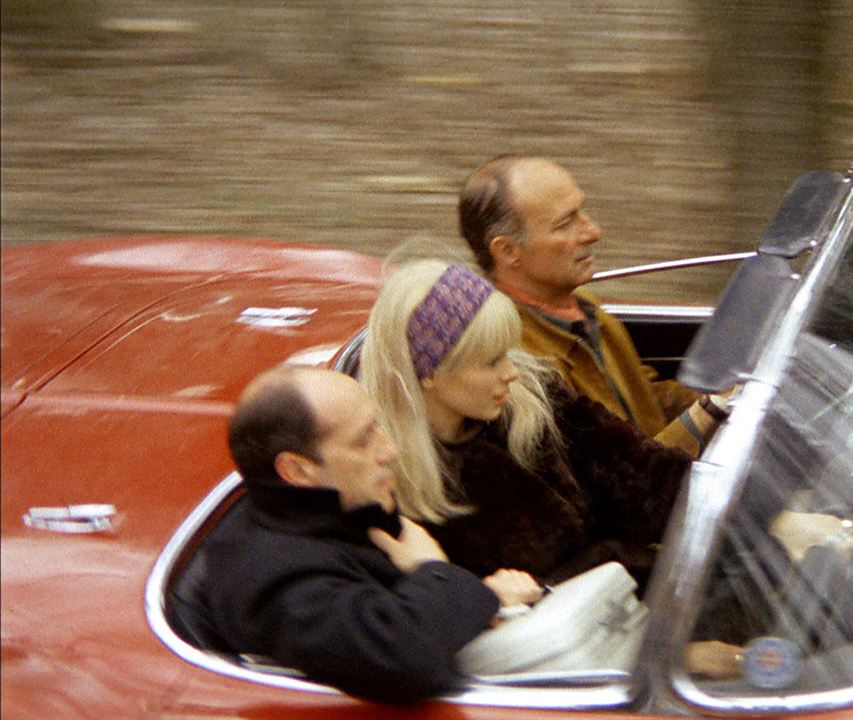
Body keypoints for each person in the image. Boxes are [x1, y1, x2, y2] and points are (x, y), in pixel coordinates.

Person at [200, 365, 543, 705]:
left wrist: (482, 600)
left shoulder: (338, 512)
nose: (390, 450)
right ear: (298, 469)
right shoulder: (273, 579)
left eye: (378, 426)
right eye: (364, 440)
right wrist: (437, 573)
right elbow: (402, 657)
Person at [359, 259, 693, 589]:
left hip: (650, 589)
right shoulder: (390, 485)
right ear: (430, 375)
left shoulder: (538, 397)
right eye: (492, 362)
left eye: (508, 353)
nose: (512, 372)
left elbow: (654, 480)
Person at [457, 155, 730, 457]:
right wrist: (712, 409)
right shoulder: (521, 364)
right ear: (507, 250)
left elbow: (645, 399)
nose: (593, 231)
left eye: (581, 212)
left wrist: (733, 393)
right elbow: (616, 476)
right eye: (565, 224)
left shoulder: (584, 306)